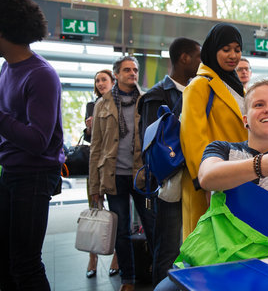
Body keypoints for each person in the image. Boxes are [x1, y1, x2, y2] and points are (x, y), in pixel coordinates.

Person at [154, 80, 268, 291]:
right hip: (215, 262)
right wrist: (261, 165)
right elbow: (207, 177)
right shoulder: (222, 150)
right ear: (245, 120)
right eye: (259, 104)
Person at [0, 0, 64, 290]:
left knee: (26, 263)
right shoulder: (6, 68)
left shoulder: (41, 74)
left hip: (34, 176)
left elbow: (39, 139)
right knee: (7, 261)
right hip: (10, 172)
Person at [137, 37, 201, 287]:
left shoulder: (201, 90)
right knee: (168, 249)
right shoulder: (156, 95)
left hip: (199, 180)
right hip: (171, 185)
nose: (201, 63)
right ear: (184, 57)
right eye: (198, 56)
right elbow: (155, 144)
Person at [88, 55, 156, 291]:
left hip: (142, 178)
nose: (132, 73)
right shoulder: (102, 104)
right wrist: (93, 188)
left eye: (135, 70)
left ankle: (160, 274)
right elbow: (96, 148)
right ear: (116, 74)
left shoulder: (146, 101)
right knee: (121, 230)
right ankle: (128, 279)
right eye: (127, 70)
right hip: (113, 177)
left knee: (152, 225)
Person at [180, 23, 248, 240]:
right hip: (210, 180)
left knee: (235, 243)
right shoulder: (199, 85)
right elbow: (193, 139)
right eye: (226, 49)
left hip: (238, 176)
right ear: (212, 50)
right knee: (208, 247)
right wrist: (206, 182)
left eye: (237, 49)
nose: (233, 55)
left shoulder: (238, 87)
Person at [83, 69, 119, 279]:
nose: (100, 83)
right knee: (94, 212)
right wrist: (89, 128)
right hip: (96, 163)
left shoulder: (120, 104)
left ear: (112, 82)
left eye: (103, 79)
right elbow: (92, 140)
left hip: (114, 166)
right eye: (97, 80)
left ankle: (117, 257)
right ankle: (92, 257)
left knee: (117, 216)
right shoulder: (92, 105)